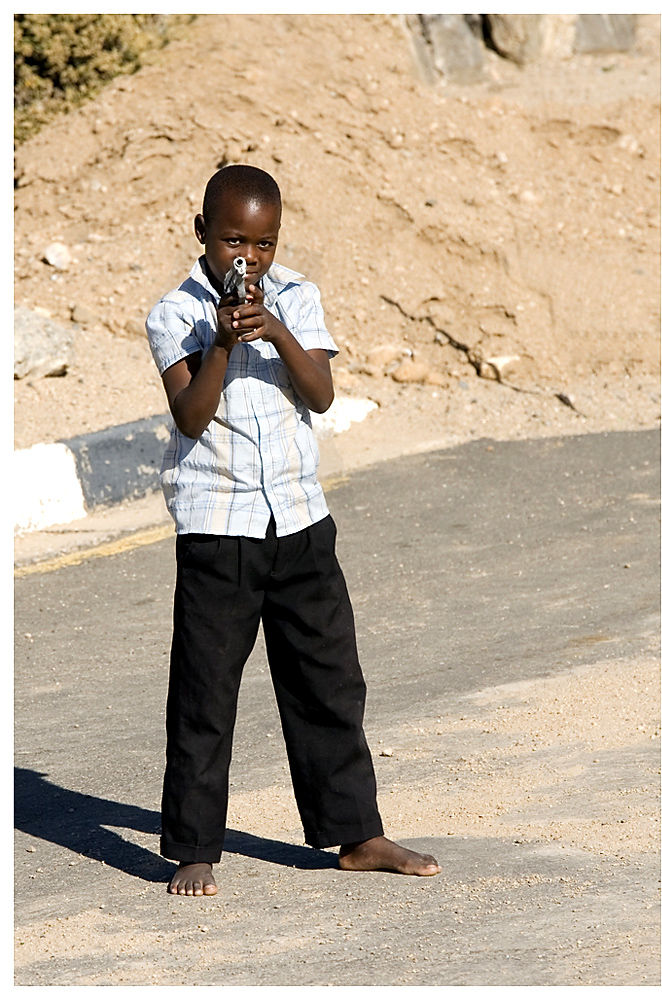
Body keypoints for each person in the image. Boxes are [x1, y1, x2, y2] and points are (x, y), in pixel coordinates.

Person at [146, 164, 441, 896]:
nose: (248, 259)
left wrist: (273, 327)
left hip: (300, 519)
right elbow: (190, 416)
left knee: (328, 680)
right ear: (202, 235)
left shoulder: (298, 296)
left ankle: (357, 834)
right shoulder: (172, 313)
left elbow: (320, 393)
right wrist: (219, 342)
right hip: (218, 526)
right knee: (205, 691)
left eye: (265, 244)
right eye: (232, 241)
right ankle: (193, 847)